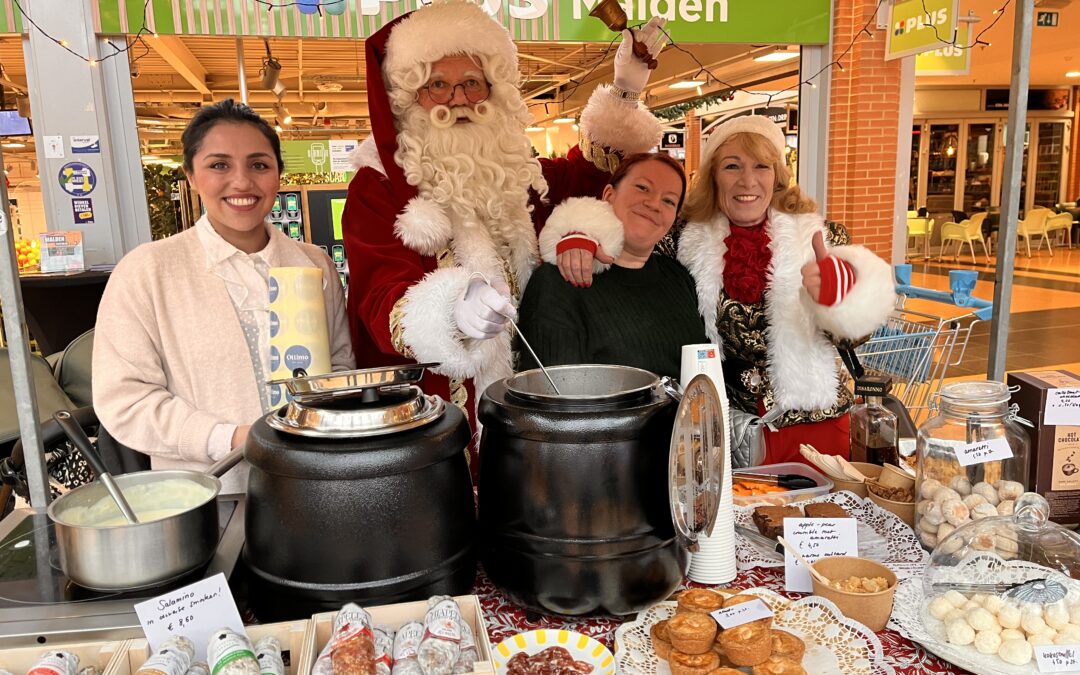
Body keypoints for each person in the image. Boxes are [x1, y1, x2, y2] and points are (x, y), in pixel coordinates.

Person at [343, 0, 667, 449]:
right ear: (408, 95)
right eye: (438, 84)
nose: (457, 99)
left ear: (493, 90)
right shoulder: (377, 186)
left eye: (471, 83)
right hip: (435, 428)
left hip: (531, 415)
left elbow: (583, 179)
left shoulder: (514, 171)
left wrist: (624, 93)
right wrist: (449, 312)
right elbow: (377, 296)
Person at [93, 99, 354, 491]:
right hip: (205, 498)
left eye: (259, 165)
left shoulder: (313, 264)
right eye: (219, 165)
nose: (242, 182)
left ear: (278, 175)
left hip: (317, 486)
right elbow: (126, 400)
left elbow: (340, 369)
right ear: (191, 176)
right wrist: (231, 438)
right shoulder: (147, 271)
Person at [675, 115, 895, 465]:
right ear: (714, 176)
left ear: (777, 176)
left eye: (762, 166)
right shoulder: (683, 241)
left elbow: (855, 336)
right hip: (731, 430)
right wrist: (582, 236)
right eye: (732, 166)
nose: (748, 180)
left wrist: (839, 302)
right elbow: (628, 239)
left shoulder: (821, 238)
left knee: (823, 516)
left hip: (816, 421)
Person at [518, 153, 706, 379]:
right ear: (608, 195)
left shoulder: (678, 276)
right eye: (643, 188)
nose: (654, 204)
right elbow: (554, 396)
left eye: (669, 201)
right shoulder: (559, 280)